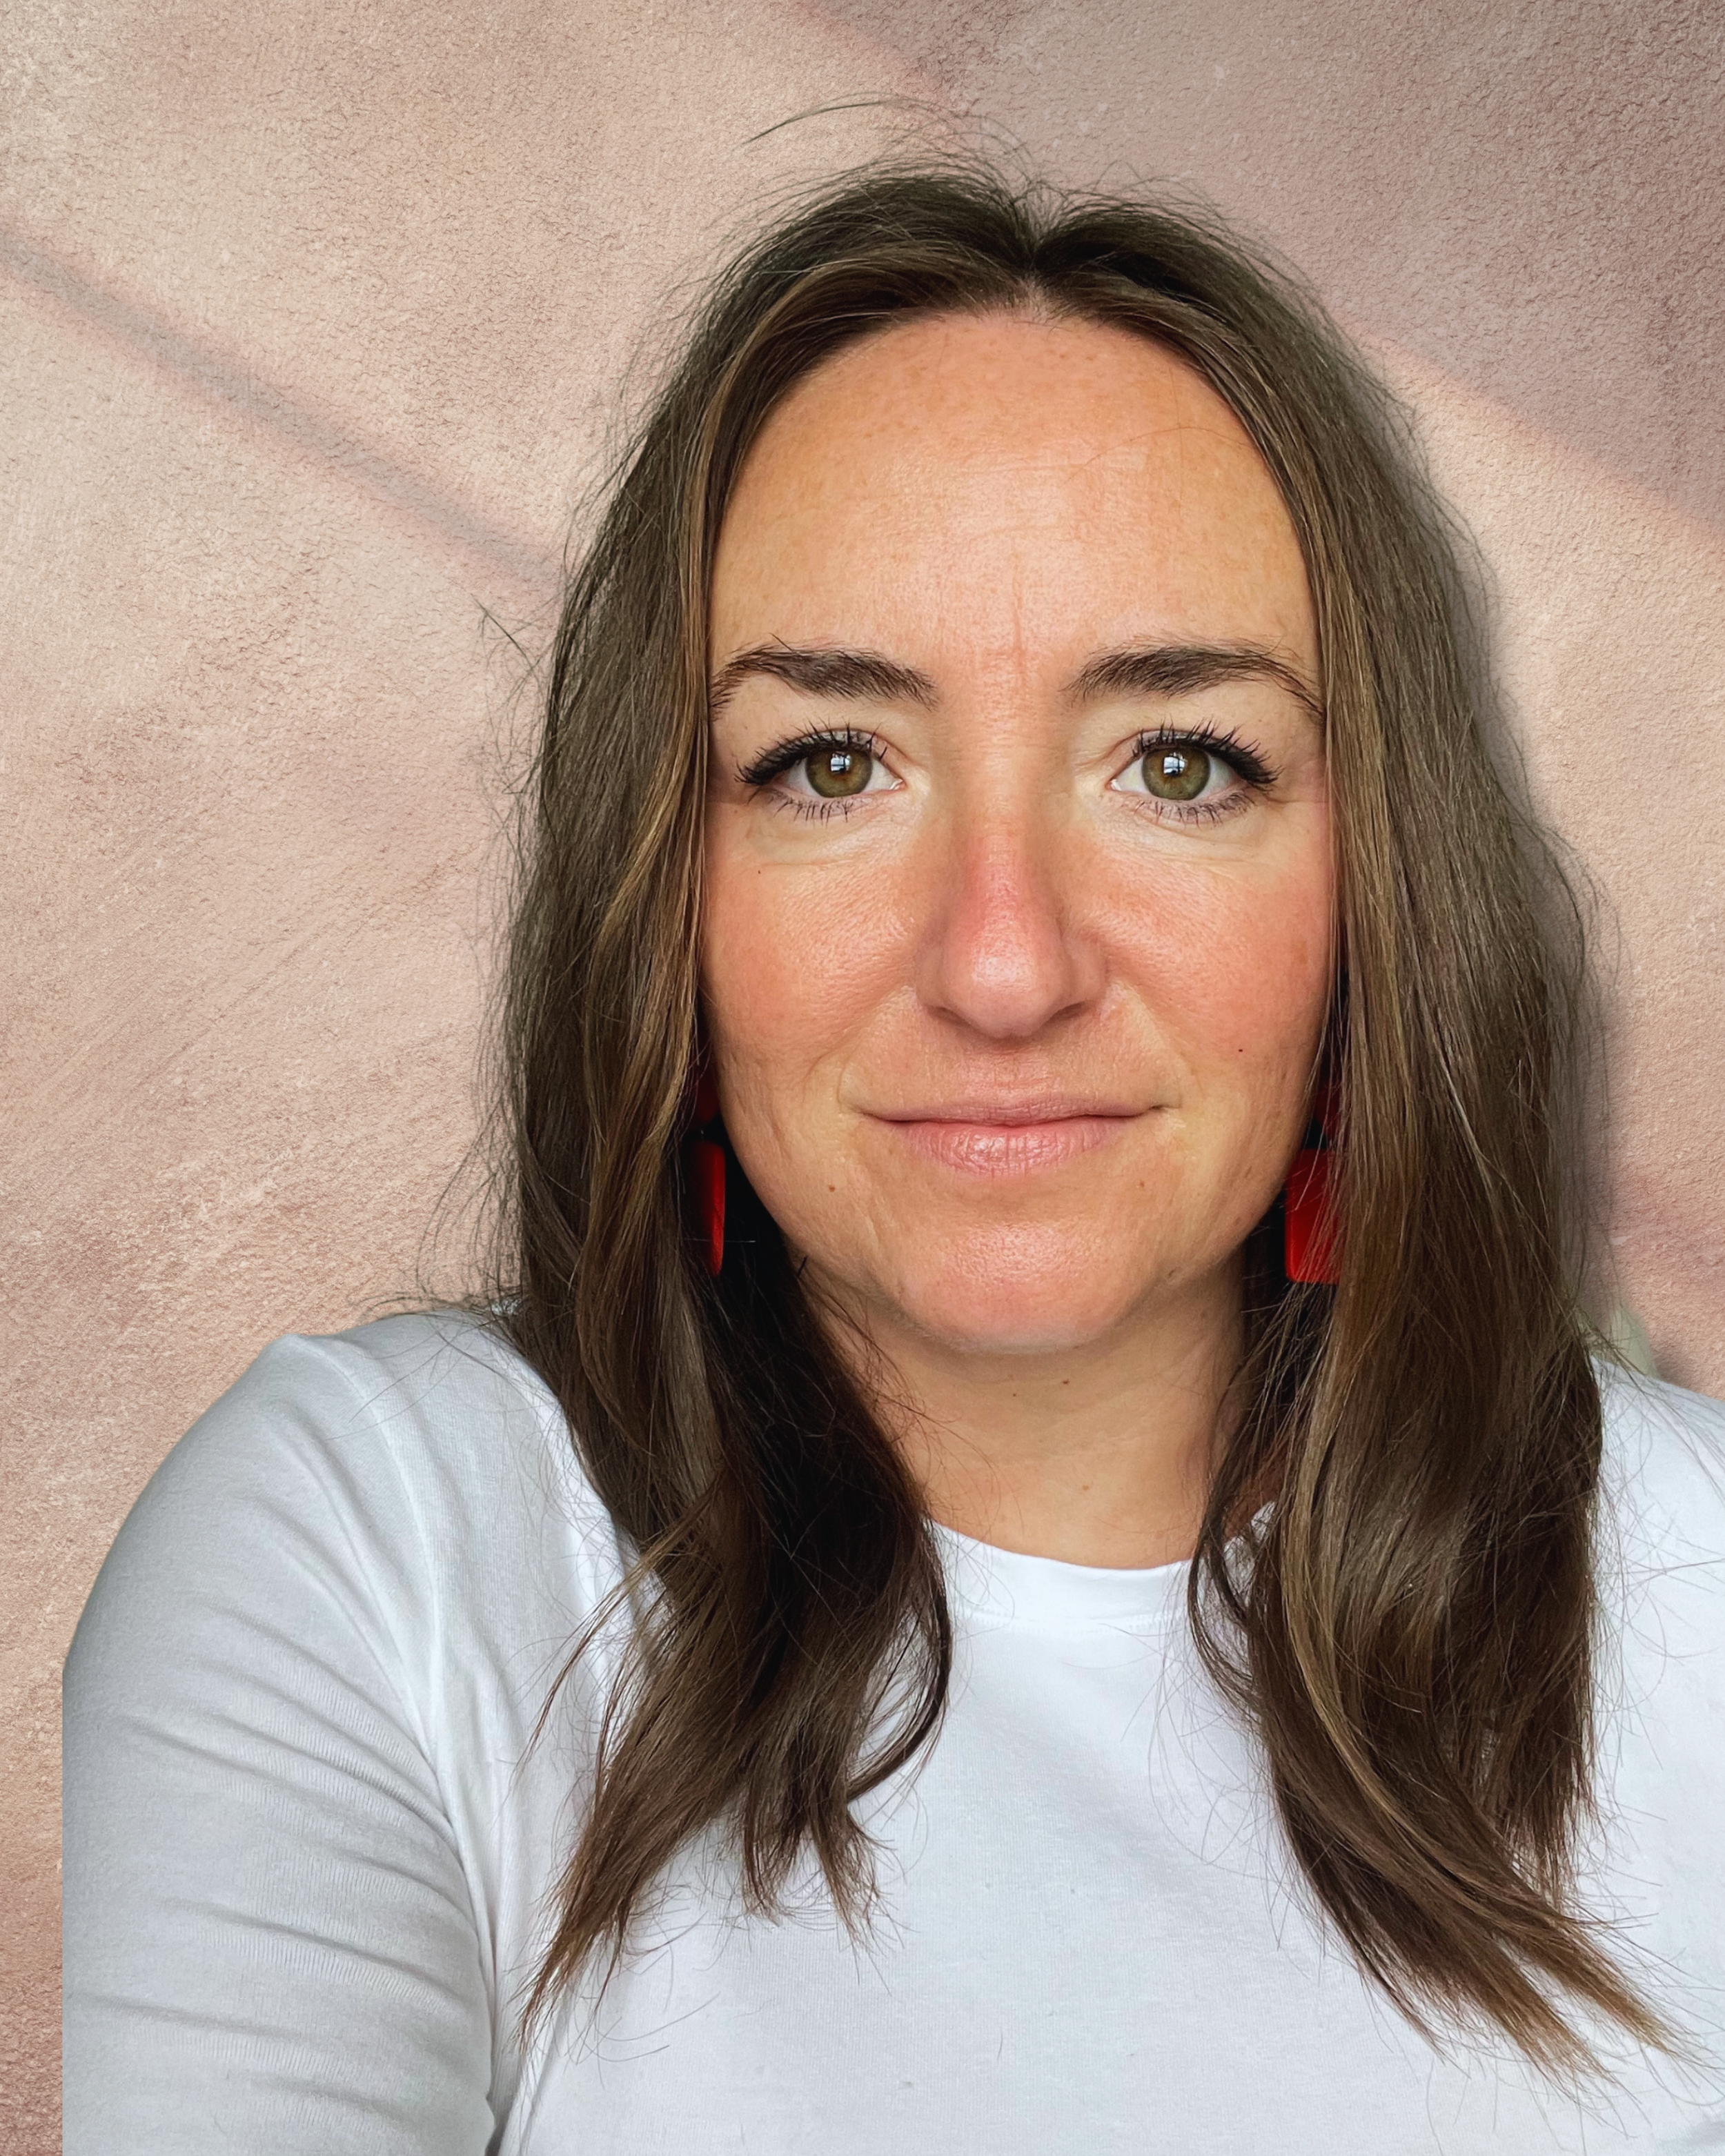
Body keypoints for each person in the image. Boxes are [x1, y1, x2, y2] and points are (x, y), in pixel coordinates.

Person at [63, 163, 1725, 2154]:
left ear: (1376, 889)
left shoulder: (1690, 1593)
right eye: (828, 763)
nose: (1004, 961)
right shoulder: (380, 1545)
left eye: (1180, 761)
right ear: (662, 889)